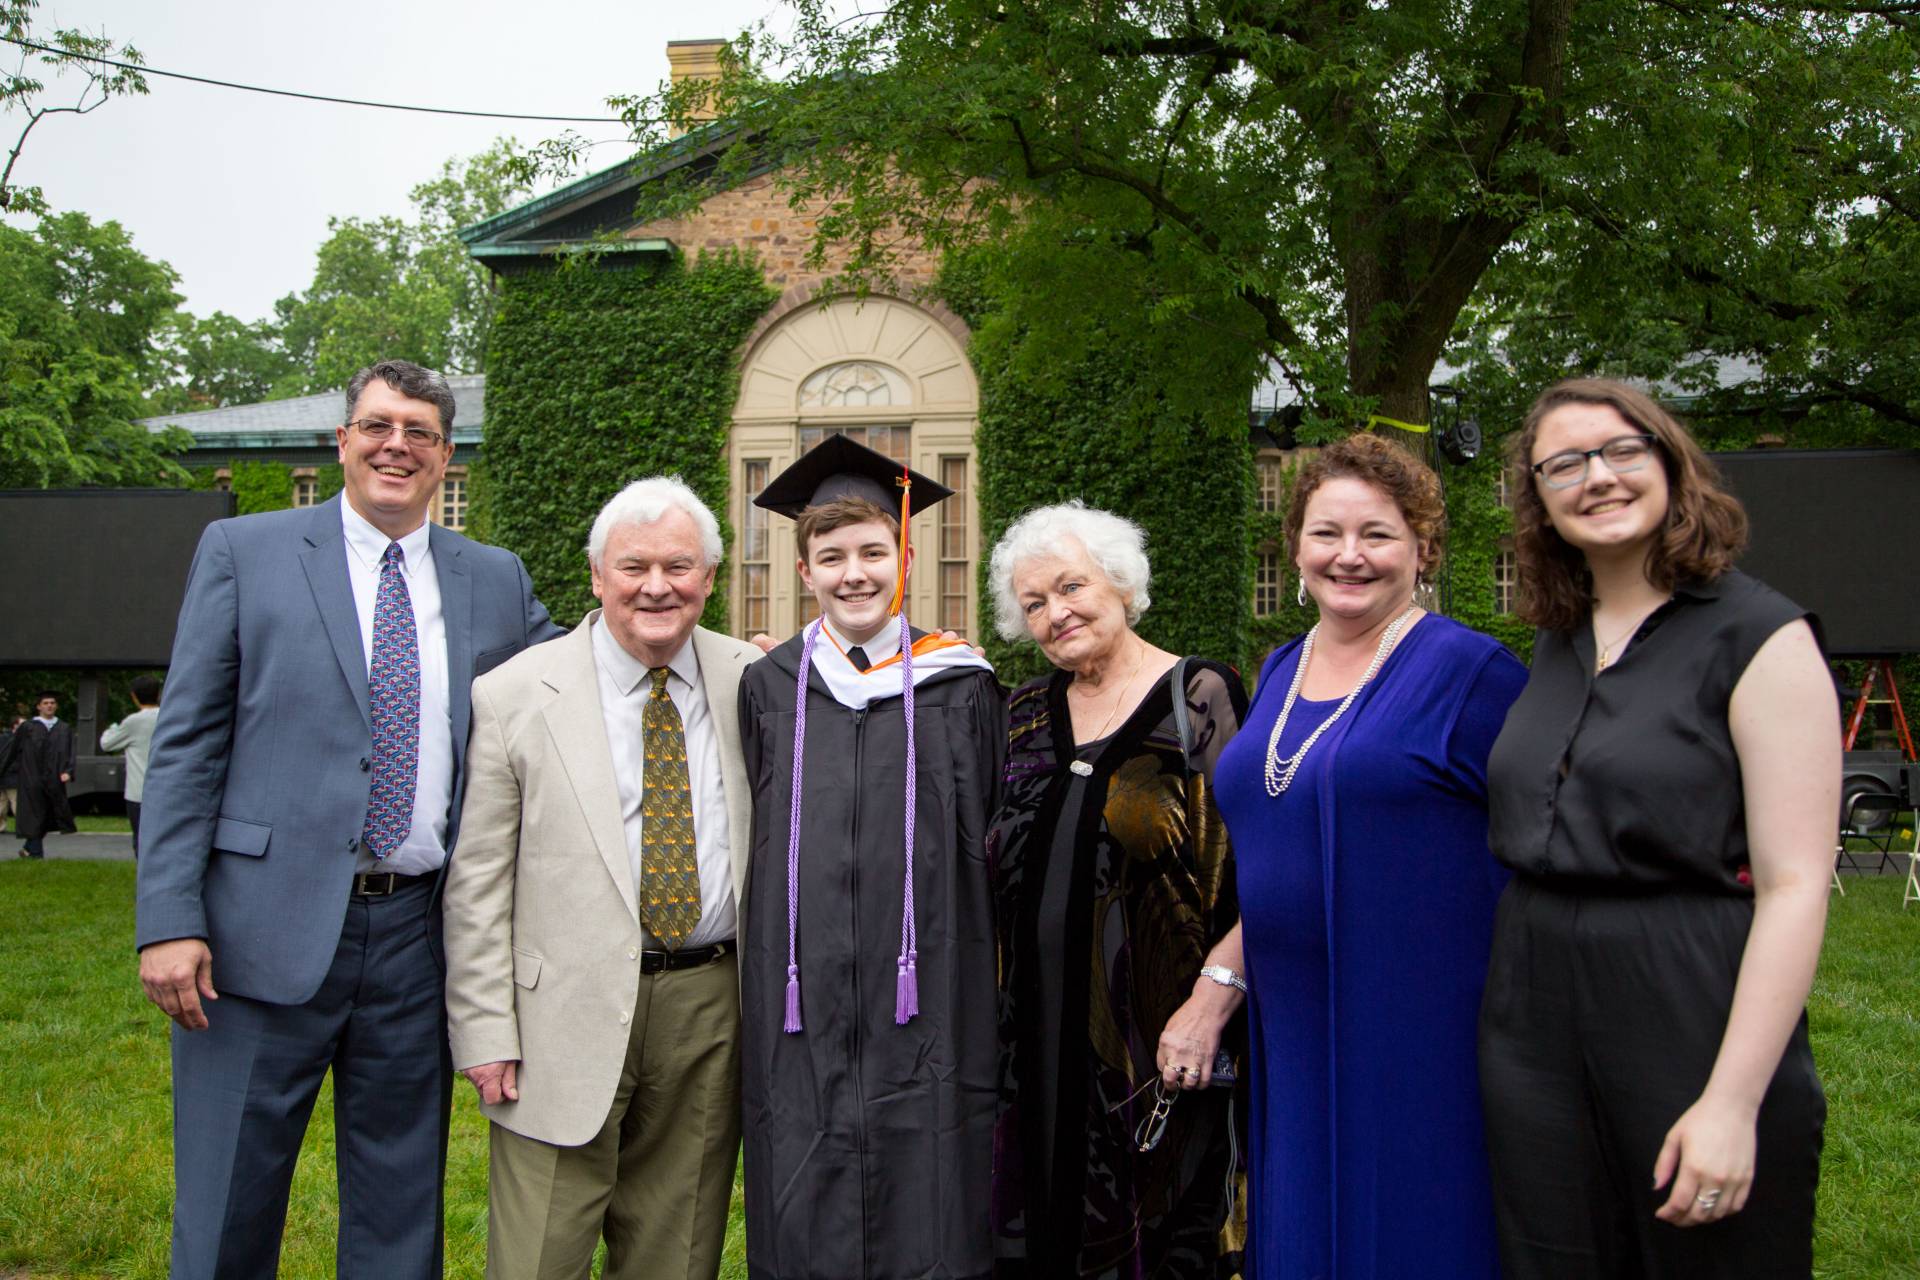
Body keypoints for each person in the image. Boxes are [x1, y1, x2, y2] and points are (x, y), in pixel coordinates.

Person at [134, 359, 561, 1279]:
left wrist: (746, 658)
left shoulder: (492, 577)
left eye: (418, 432)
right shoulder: (244, 553)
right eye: (377, 425)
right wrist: (170, 918)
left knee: (400, 1212)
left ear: (445, 457)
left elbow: (574, 674)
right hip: (253, 934)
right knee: (226, 1209)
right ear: (343, 442)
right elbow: (187, 746)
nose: (395, 445)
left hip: (415, 935)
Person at [1479, 378, 1834, 1278]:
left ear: (1671, 465)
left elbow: (1795, 887)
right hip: (1534, 998)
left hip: (1683, 988)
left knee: (1702, 1252)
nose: (1596, 477)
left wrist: (1732, 1101)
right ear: (1541, 501)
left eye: (1621, 452)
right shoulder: (1558, 637)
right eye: (1565, 464)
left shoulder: (1761, 636)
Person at [1215, 433, 1528, 1279]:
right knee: (1301, 1225)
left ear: (1423, 549)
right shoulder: (1283, 667)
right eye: (1326, 534)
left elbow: (1542, 848)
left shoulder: (1472, 673)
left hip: (1418, 1022)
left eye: (1378, 535)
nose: (1348, 556)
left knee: (1410, 1225)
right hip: (1292, 1019)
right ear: (1295, 547)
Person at [442, 477, 761, 1280]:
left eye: (680, 566)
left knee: (678, 1248)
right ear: (595, 575)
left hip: (710, 1005)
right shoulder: (515, 693)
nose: (658, 586)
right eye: (634, 567)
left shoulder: (754, 681)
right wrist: (485, 1030)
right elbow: (478, 882)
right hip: (558, 1015)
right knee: (537, 1256)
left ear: (710, 579)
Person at [737, 435, 1005, 1279]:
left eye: (871, 552)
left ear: (904, 556)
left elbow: (990, 828)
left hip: (928, 985)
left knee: (926, 1177)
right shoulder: (771, 686)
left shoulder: (961, 683)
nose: (854, 573)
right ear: (804, 570)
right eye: (831, 557)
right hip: (802, 986)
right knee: (802, 1165)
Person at [984, 500, 1247, 1279]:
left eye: (1072, 587)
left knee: (1155, 1241)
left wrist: (1210, 1006)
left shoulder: (1198, 696)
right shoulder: (1025, 712)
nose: (1056, 613)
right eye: (1034, 603)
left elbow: (1258, 871)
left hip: (1155, 1041)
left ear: (1122, 586)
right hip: (1029, 1040)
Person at [101, 675, 162, 858]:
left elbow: (107, 744)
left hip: (139, 792)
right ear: (159, 694)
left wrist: (111, 728)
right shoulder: (168, 717)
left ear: (134, 696)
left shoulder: (133, 722)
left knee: (140, 839)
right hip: (166, 790)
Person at [12, 692, 76, 858]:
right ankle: (35, 853)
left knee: (48, 814)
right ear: (39, 706)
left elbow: (70, 752)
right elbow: (14, 751)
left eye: (52, 703)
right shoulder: (28, 727)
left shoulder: (63, 728)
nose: (49, 705)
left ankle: (28, 848)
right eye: (46, 703)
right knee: (36, 814)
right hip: (31, 778)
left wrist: (68, 771)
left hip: (54, 778)